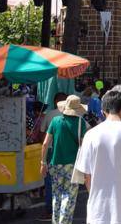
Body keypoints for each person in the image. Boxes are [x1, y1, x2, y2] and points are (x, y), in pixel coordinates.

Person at [75, 87, 121, 224]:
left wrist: (95, 196)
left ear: (104, 111)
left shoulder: (90, 135)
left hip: (97, 207)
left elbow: (87, 176)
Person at [41, 95, 86, 224]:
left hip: (54, 163)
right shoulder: (80, 123)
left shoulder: (55, 121)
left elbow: (45, 144)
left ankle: (56, 221)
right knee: (69, 197)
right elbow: (83, 145)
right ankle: (64, 222)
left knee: (57, 195)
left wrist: (42, 162)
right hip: (73, 165)